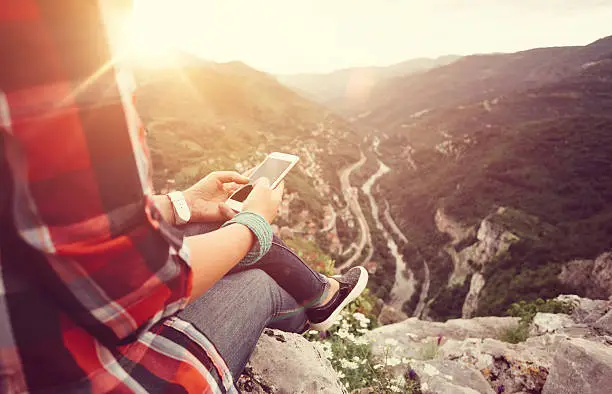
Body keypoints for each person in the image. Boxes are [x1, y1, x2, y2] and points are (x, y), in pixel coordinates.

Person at [0, 2, 368, 393]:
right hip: (65, 371)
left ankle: (319, 297)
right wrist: (254, 226)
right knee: (258, 282)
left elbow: (48, 218)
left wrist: (182, 204)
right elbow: (129, 292)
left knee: (212, 220)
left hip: (30, 316)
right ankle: (311, 306)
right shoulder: (56, 35)